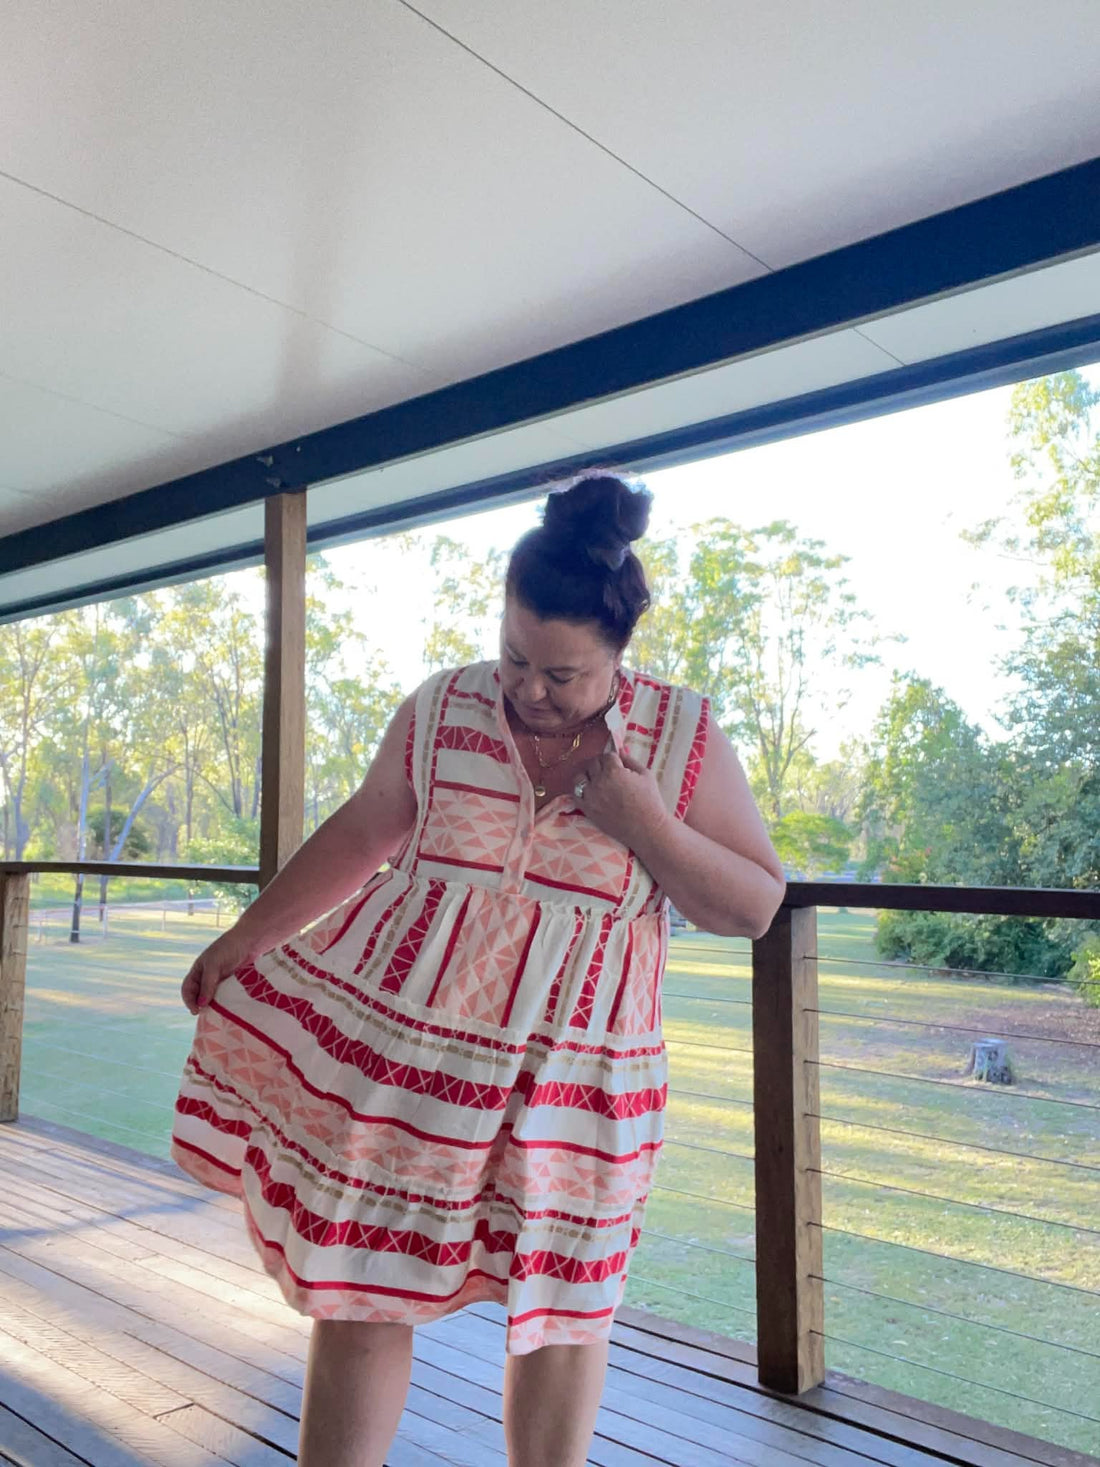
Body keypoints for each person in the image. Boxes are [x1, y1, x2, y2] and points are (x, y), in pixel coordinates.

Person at [171, 473, 786, 1467]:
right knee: (363, 1278)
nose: (530, 690)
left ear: (618, 658)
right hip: (414, 1057)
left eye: (563, 674)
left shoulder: (680, 738)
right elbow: (363, 831)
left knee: (564, 1306)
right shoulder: (443, 706)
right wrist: (245, 936)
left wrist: (640, 821)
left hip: (582, 1078)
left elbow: (751, 906)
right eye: (514, 658)